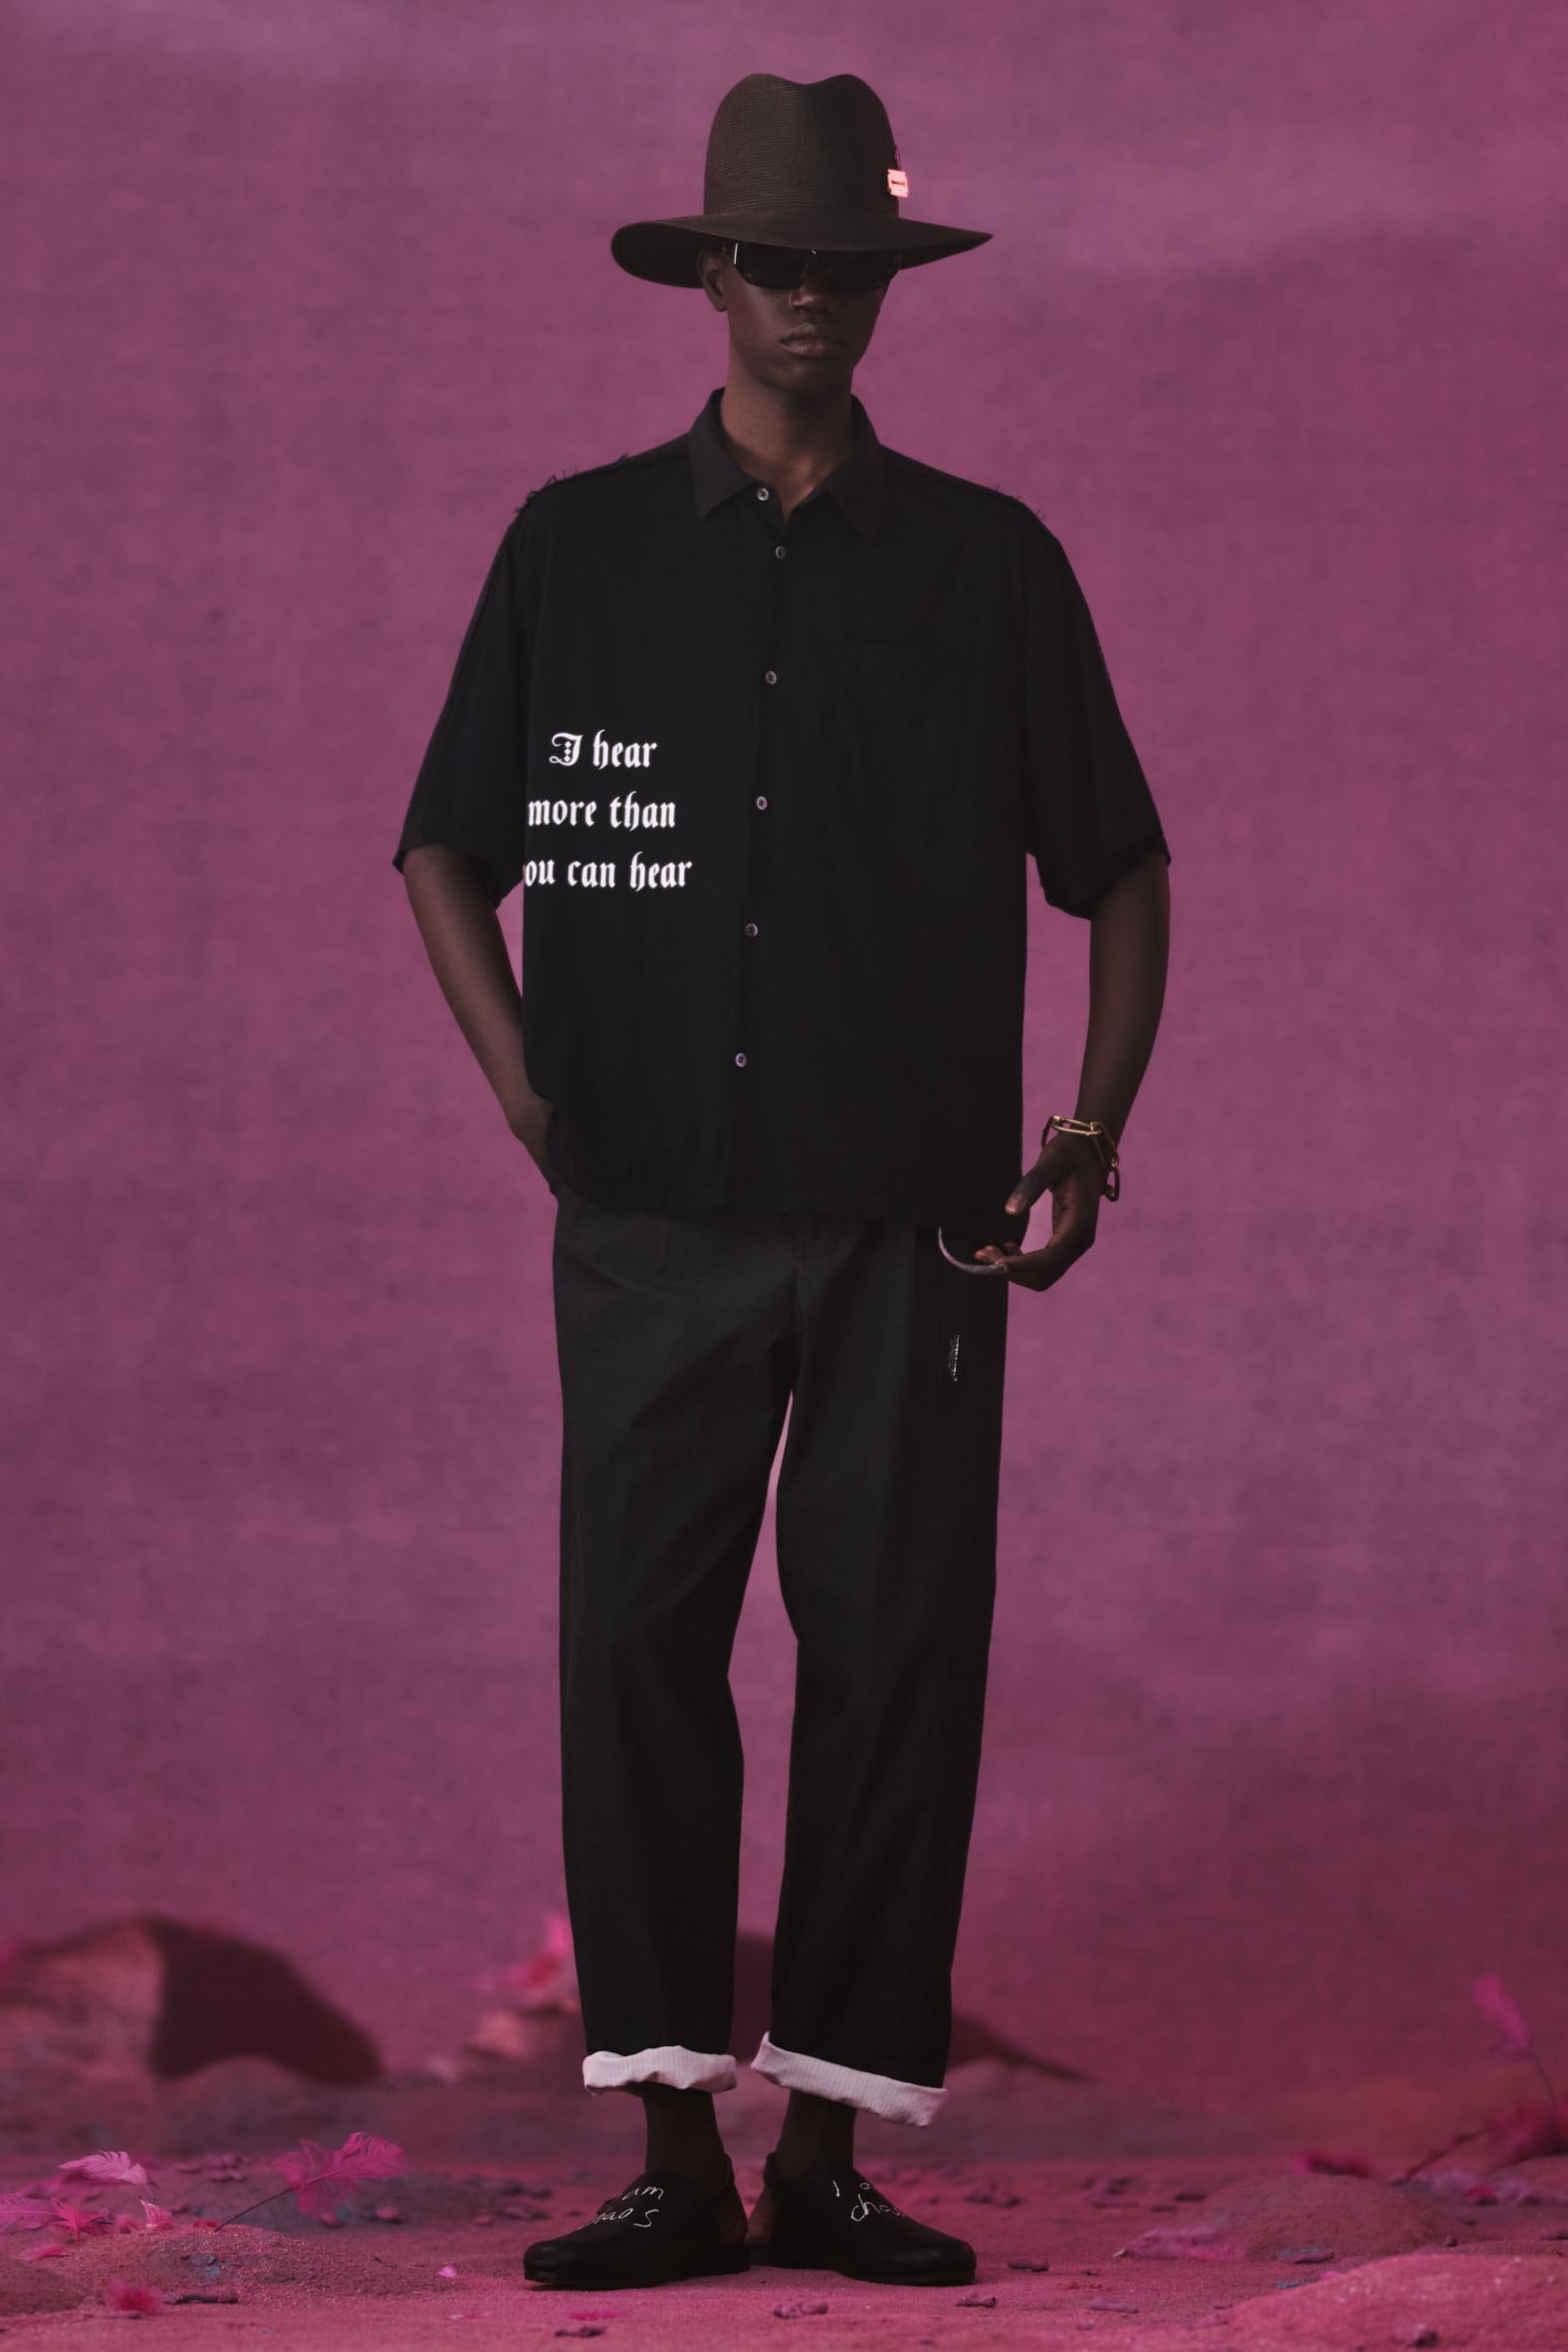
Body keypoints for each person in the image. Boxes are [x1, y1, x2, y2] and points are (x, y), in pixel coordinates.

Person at [392, 70, 1171, 2294]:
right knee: (635, 1645)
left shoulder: (988, 565)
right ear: (710, 276)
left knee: (897, 1653)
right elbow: (444, 842)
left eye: (847, 266)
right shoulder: (573, 550)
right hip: (647, 1209)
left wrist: (1089, 1125)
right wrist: (533, 1100)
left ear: (883, 287)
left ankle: (825, 2150)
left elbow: (1118, 866)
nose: (811, 300)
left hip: (914, 1218)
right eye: (775, 262)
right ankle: (673, 2154)